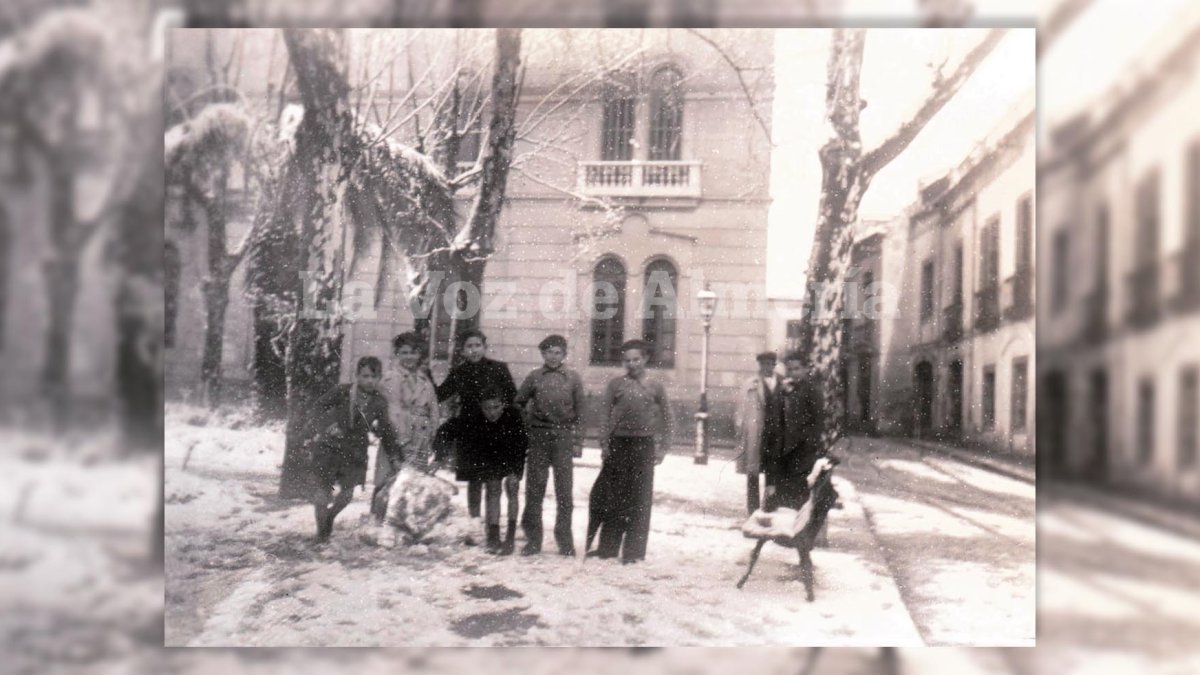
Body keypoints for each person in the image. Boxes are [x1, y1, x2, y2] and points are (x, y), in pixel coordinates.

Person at [586, 339, 673, 564]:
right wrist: (604, 444)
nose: (632, 364)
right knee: (614, 497)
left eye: (636, 359)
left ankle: (634, 552)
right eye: (627, 360)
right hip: (619, 444)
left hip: (644, 446)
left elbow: (668, 417)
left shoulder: (655, 386)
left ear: (645, 359)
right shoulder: (616, 385)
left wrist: (663, 448)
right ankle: (608, 548)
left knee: (640, 499)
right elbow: (604, 414)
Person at [306, 356, 400, 542]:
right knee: (323, 492)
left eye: (374, 376)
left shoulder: (379, 401)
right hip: (329, 447)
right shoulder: (342, 391)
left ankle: (330, 518)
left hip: (354, 451)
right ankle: (321, 533)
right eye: (365, 376)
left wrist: (395, 455)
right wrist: (328, 426)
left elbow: (385, 430)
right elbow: (317, 409)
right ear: (357, 375)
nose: (370, 381)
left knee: (347, 494)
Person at [434, 329, 517, 538]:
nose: (474, 351)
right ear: (462, 351)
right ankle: (473, 526)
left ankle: (492, 529)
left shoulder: (498, 369)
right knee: (474, 483)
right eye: (469, 347)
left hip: (495, 431)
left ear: (485, 346)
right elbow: (441, 394)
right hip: (470, 432)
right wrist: (428, 375)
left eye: (477, 345)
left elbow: (512, 399)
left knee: (493, 482)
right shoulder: (459, 372)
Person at [515, 334, 585, 556]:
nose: (553, 357)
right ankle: (533, 539)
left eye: (558, 352)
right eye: (548, 352)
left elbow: (582, 412)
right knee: (535, 489)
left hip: (563, 437)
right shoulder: (534, 377)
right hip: (539, 437)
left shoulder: (573, 378)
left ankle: (565, 540)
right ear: (542, 354)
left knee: (564, 491)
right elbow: (518, 403)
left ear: (564, 355)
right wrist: (528, 425)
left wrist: (577, 441)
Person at [371, 332, 442, 522]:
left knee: (412, 483)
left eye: (413, 353)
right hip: (394, 436)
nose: (409, 357)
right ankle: (378, 520)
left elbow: (433, 410)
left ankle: (405, 524)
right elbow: (380, 410)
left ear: (419, 355)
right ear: (397, 354)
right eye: (404, 352)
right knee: (386, 478)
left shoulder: (425, 381)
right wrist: (388, 433)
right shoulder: (387, 380)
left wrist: (433, 435)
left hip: (419, 437)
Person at [454, 385, 527, 554]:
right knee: (493, 489)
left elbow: (521, 445)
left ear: (503, 404)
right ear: (481, 407)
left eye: (496, 407)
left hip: (512, 458)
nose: (492, 412)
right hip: (492, 459)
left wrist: (516, 472)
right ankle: (493, 536)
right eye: (487, 408)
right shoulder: (478, 420)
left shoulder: (513, 416)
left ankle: (509, 537)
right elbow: (478, 448)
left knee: (512, 488)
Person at [763, 351, 825, 511]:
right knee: (779, 496)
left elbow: (817, 423)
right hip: (781, 450)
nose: (793, 373)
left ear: (805, 369)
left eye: (797, 369)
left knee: (798, 496)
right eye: (789, 369)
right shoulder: (782, 389)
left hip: (802, 452)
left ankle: (796, 532)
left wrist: (808, 447)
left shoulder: (812, 390)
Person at [735, 351, 780, 515]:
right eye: (763, 364)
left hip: (777, 434)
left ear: (775, 365)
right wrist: (741, 430)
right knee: (752, 471)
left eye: (770, 363)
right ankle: (752, 510)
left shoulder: (782, 383)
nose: (767, 367)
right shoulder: (750, 384)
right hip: (756, 432)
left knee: (773, 471)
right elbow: (741, 410)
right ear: (759, 365)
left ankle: (769, 508)